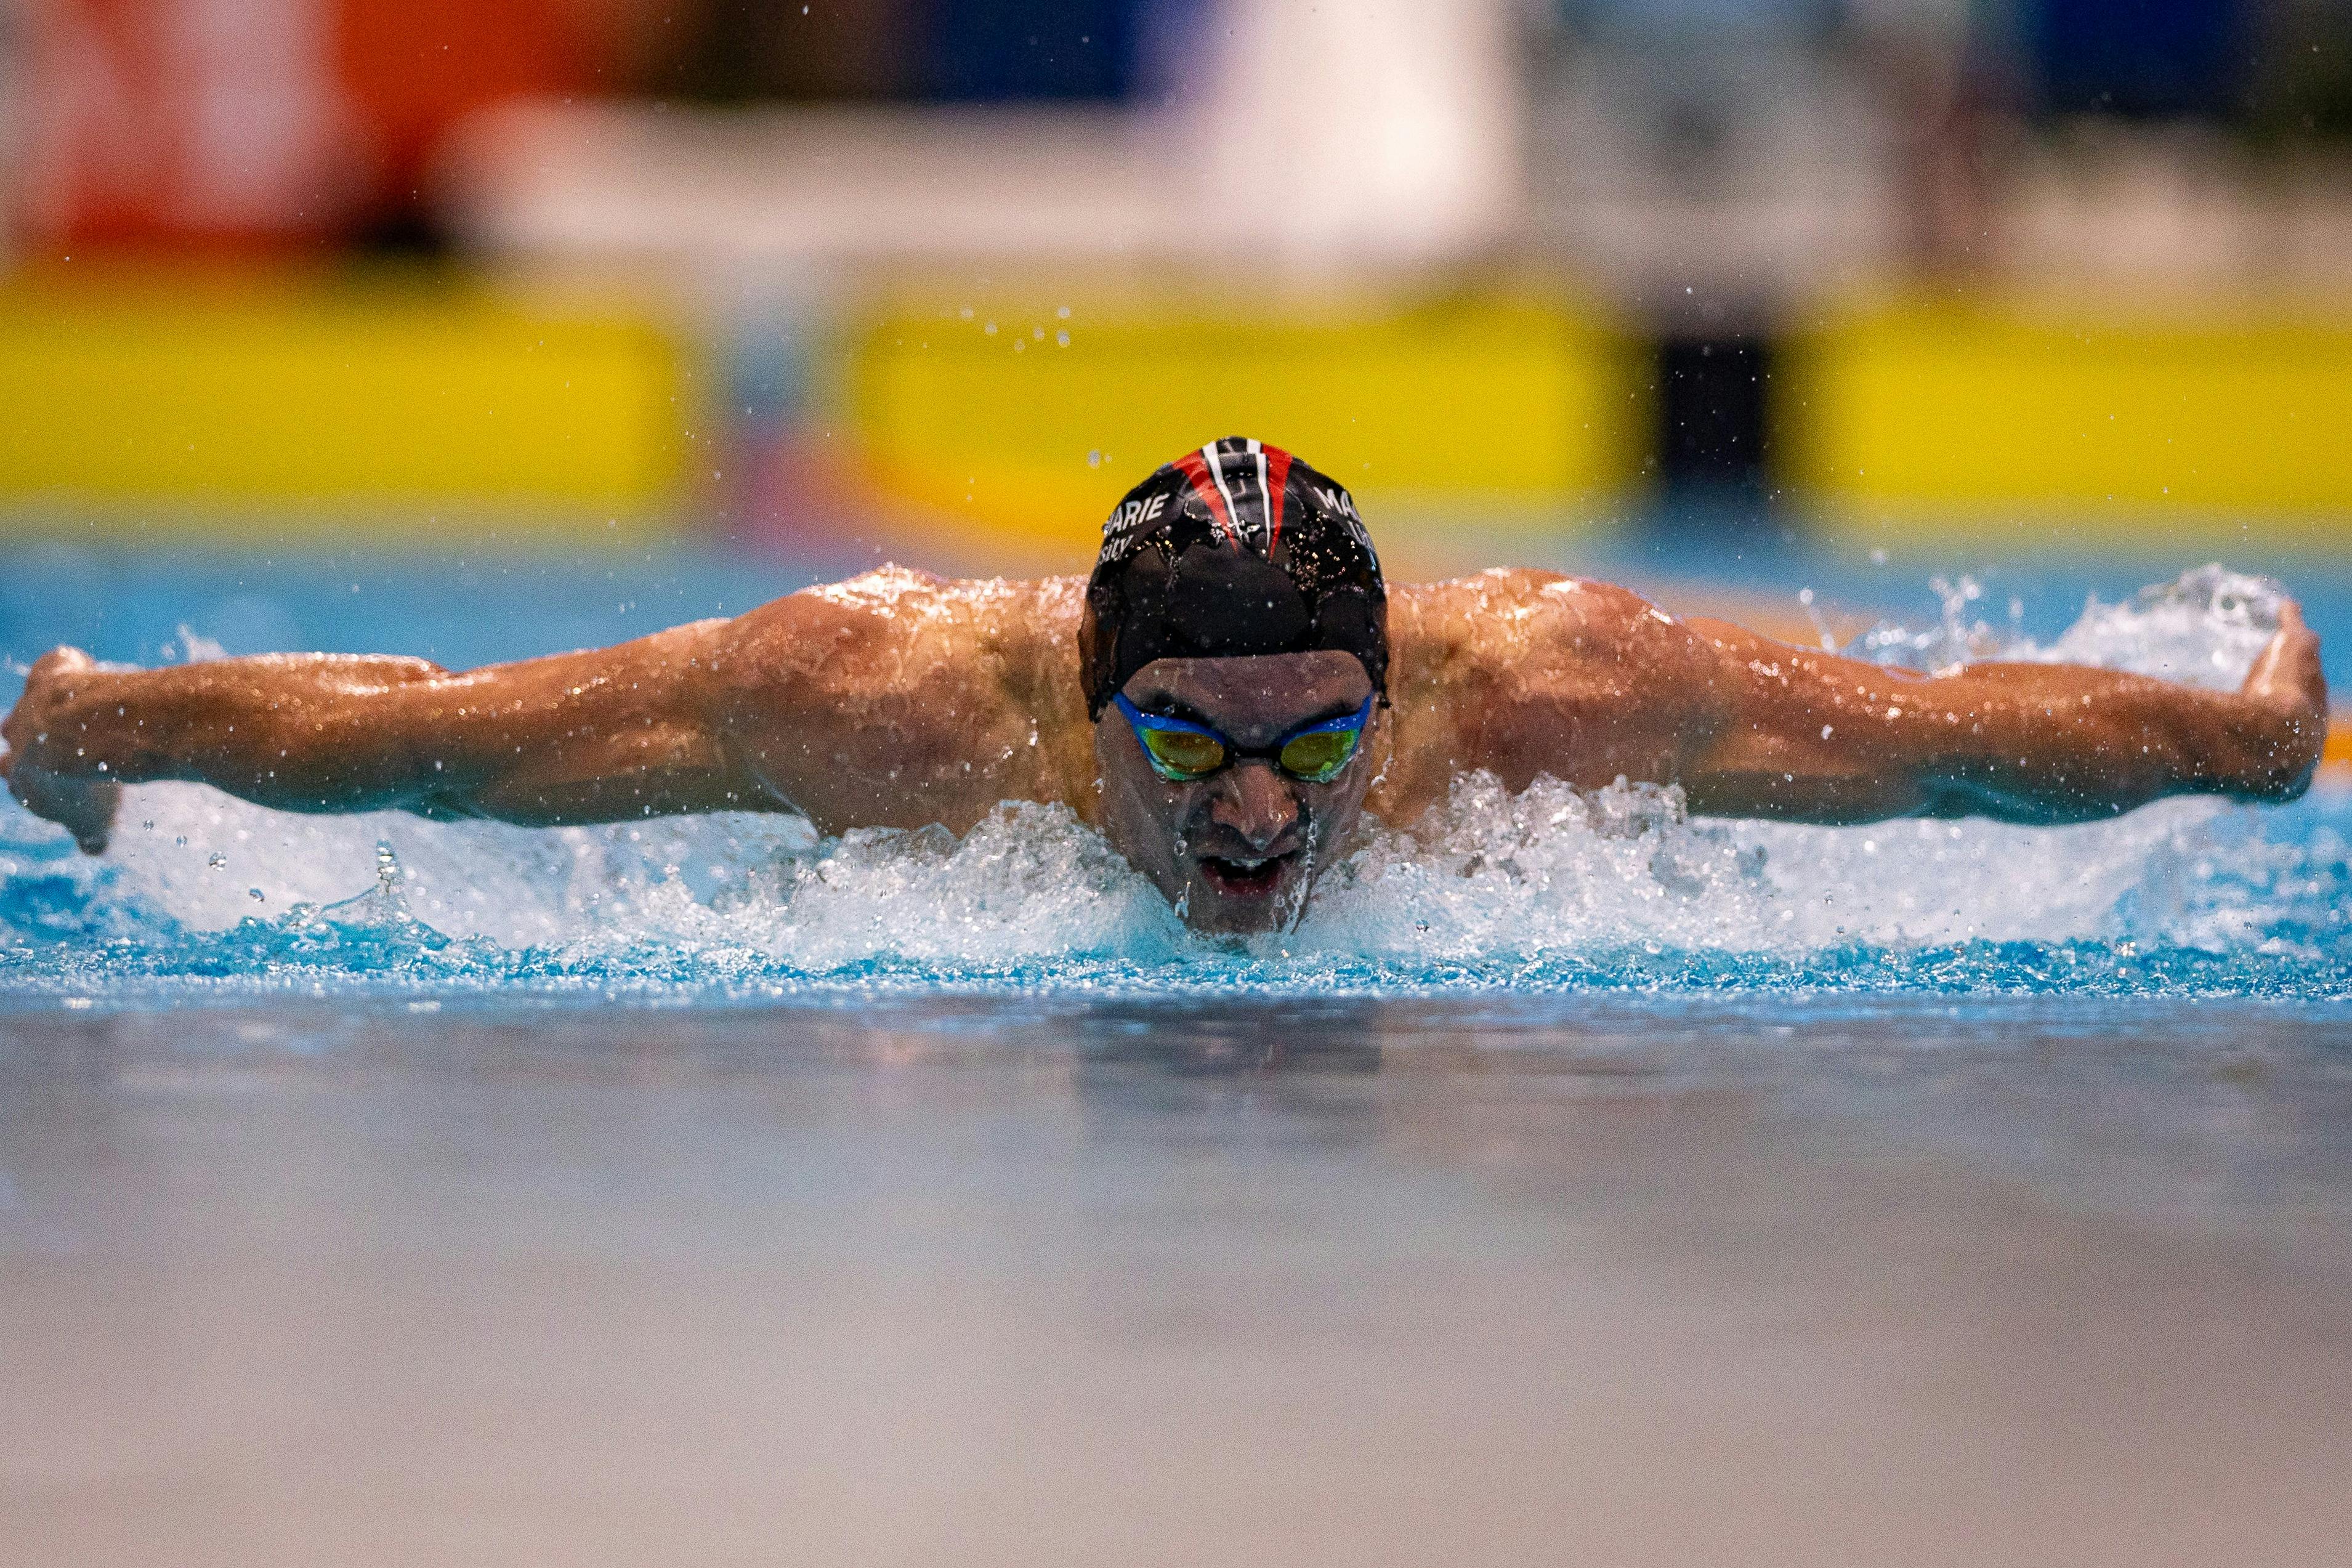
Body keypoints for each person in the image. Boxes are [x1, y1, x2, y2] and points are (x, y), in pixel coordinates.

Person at [1, 438, 2329, 934]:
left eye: (1322, 738)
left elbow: (1944, 749)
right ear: (1073, 703)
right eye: (1185, 747)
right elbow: (425, 730)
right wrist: (97, 725)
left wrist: (2228, 740)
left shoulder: (1549, 699)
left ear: (1396, 701)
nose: (1254, 815)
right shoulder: (873, 700)